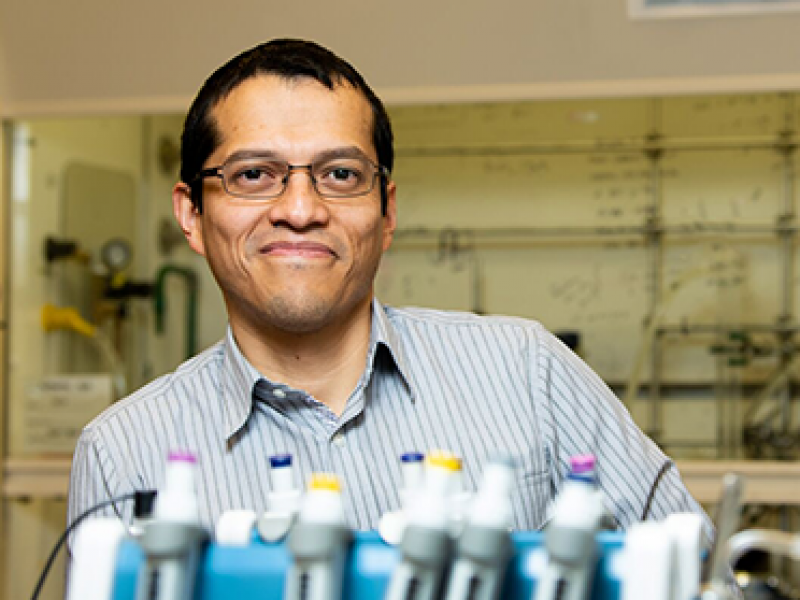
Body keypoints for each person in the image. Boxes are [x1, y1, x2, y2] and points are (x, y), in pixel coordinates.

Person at [68, 38, 710, 538]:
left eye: (341, 173)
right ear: (191, 214)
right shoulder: (123, 454)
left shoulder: (527, 374)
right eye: (254, 174)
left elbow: (700, 579)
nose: (300, 208)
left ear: (387, 209)